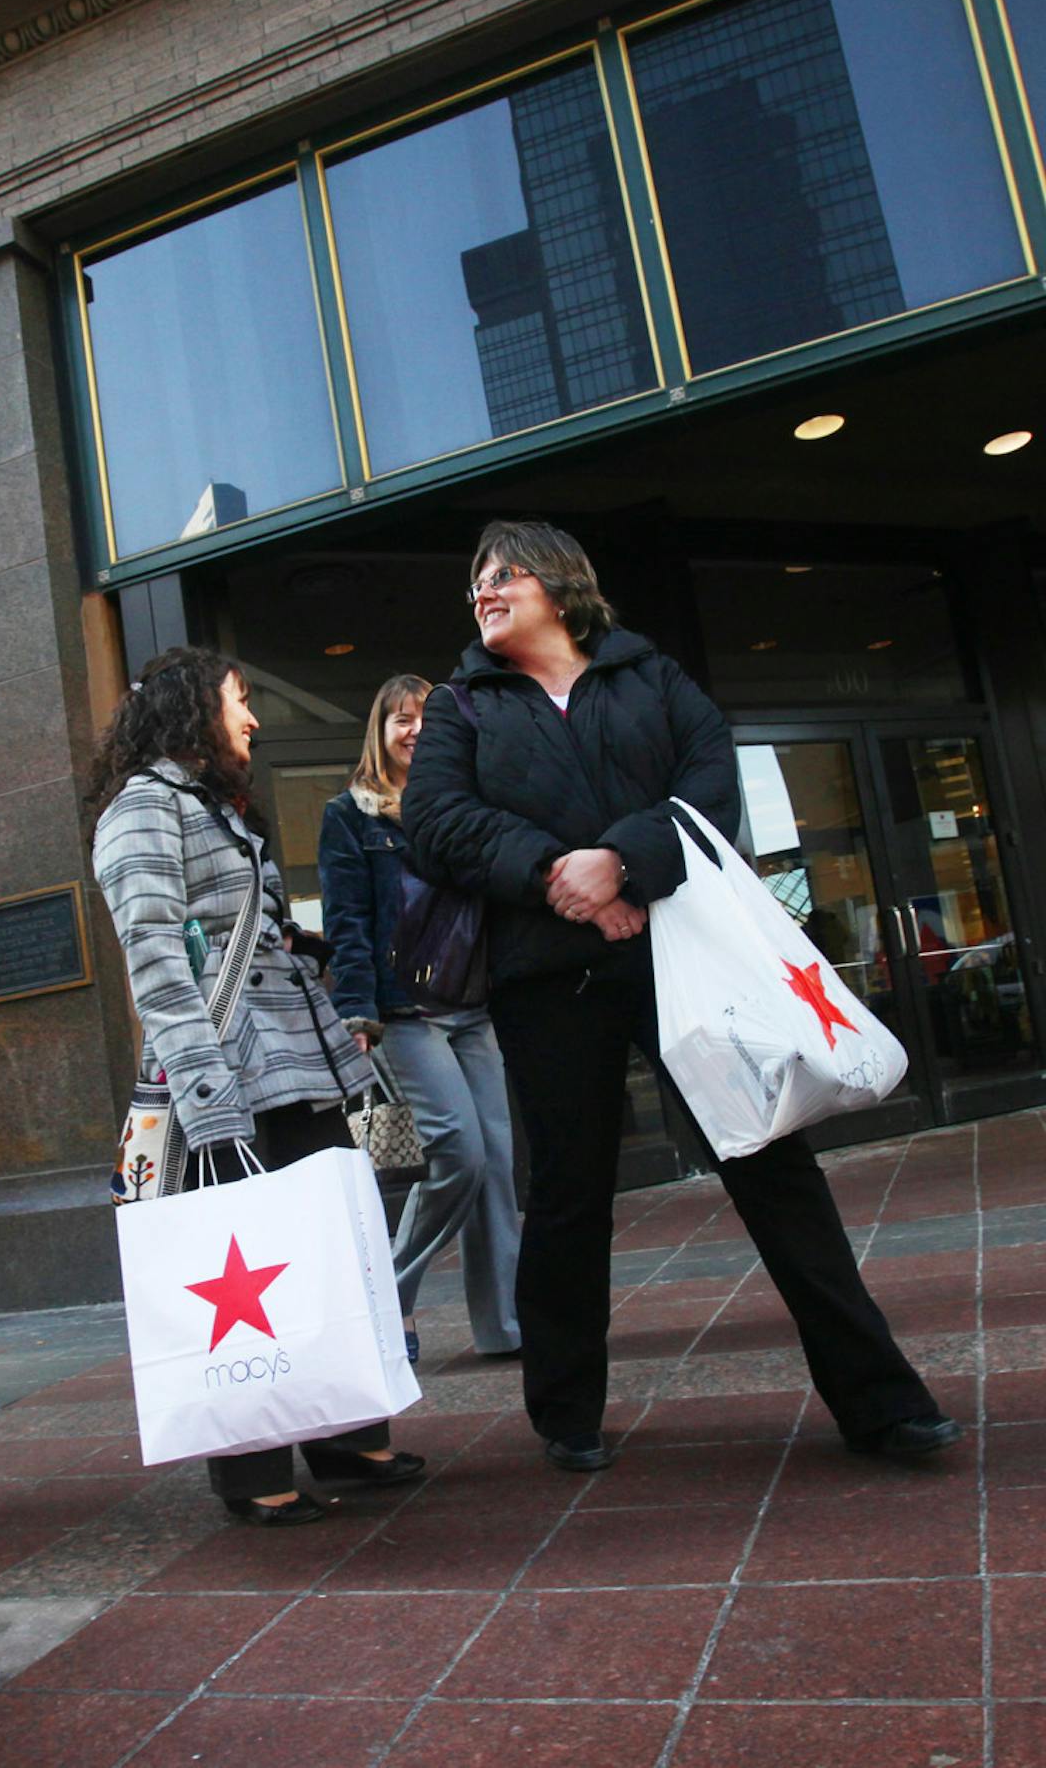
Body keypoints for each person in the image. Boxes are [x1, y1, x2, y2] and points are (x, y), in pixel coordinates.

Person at [402, 520, 958, 1472]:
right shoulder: (462, 706)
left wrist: (622, 864)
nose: (484, 592)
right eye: (475, 582)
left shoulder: (650, 677)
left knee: (775, 1169)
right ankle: (565, 1412)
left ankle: (882, 1401)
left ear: (561, 582)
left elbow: (708, 788)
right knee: (571, 1194)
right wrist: (558, 878)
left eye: (503, 574)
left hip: (687, 961)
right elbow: (438, 823)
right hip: (551, 978)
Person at [90, 646, 422, 1526]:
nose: (253, 718)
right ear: (194, 707)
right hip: (226, 1076)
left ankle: (347, 1436)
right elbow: (157, 965)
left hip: (297, 1064)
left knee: (317, 1257)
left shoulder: (214, 805)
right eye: (241, 699)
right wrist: (207, 1101)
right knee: (241, 1271)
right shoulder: (142, 808)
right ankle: (255, 1471)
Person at [317, 674, 521, 1366]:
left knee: (496, 1161)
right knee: (458, 1151)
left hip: (473, 1004)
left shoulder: (457, 804)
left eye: (427, 719)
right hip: (405, 1011)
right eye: (400, 719)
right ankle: (386, 1293)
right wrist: (356, 1008)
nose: (414, 731)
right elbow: (346, 918)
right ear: (380, 730)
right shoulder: (350, 814)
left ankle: (506, 1325)